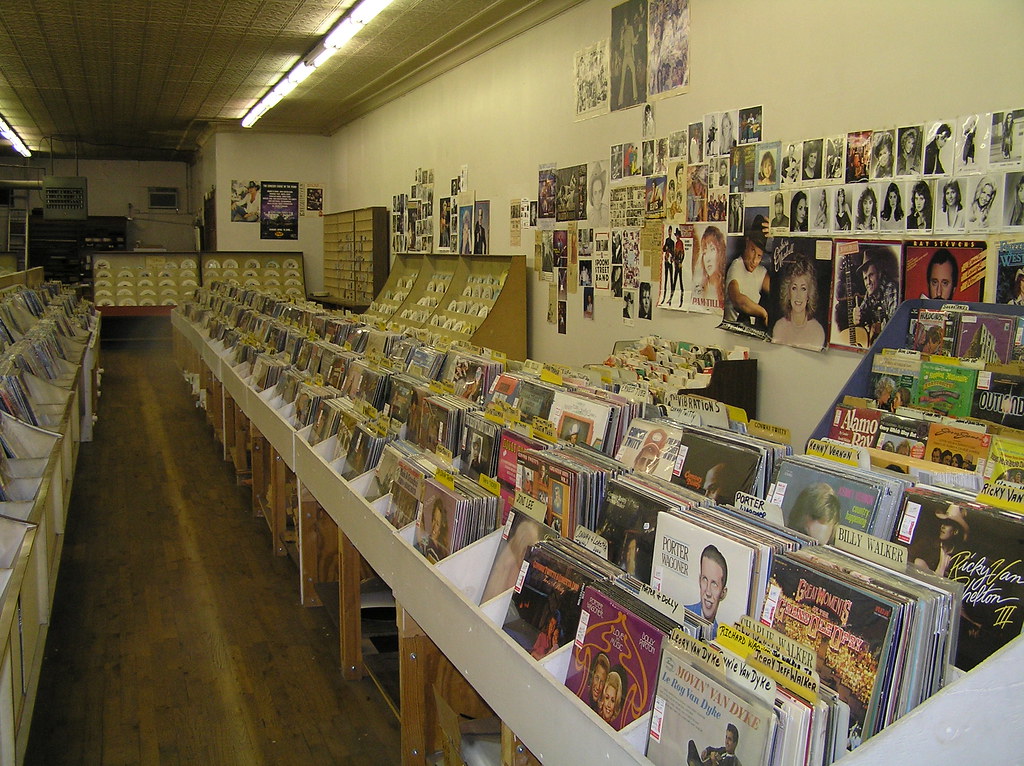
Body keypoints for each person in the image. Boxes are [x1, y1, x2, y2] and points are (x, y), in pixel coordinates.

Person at [724, 215, 770, 330]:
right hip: (731, 335)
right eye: (752, 250)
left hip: (751, 335)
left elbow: (781, 293)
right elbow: (739, 301)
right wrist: (763, 313)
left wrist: (782, 234)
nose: (755, 260)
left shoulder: (761, 272)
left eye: (759, 256)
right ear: (747, 241)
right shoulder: (736, 266)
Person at [772, 257, 825, 349]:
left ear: (809, 295)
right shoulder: (779, 327)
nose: (798, 295)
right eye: (794, 288)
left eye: (803, 289)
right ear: (788, 293)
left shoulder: (817, 331)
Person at [853, 247, 899, 343]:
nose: (868, 282)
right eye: (865, 278)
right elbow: (861, 315)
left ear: (879, 273)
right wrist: (857, 317)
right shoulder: (869, 294)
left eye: (871, 275)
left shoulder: (890, 289)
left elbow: (894, 325)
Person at [911, 505, 969, 578]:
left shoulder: (959, 556)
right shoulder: (928, 544)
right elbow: (909, 557)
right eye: (943, 522)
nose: (943, 526)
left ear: (955, 531)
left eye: (947, 524)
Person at [684, 545, 728, 639]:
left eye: (714, 584)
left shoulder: (720, 637)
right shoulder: (681, 614)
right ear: (699, 580)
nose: (708, 592)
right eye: (704, 579)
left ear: (723, 593)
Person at [692, 225, 726, 308]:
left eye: (712, 249)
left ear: (720, 252)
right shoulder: (701, 287)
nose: (708, 258)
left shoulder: (726, 286)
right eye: (705, 252)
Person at [661, 228, 676, 303]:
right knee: (666, 279)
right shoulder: (667, 240)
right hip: (666, 261)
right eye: (668, 231)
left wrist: (672, 257)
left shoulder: (672, 242)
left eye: (670, 231)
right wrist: (665, 247)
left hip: (670, 261)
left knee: (671, 278)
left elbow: (674, 252)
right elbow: (663, 249)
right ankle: (664, 296)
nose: (669, 232)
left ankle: (671, 297)